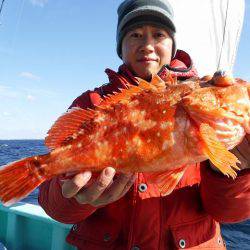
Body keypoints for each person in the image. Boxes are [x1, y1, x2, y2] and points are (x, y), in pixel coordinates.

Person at [38, 0, 250, 249]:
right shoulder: (92, 103)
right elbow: (55, 207)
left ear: (173, 45)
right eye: (135, 34)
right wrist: (77, 199)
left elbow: (229, 215)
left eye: (159, 34)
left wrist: (238, 173)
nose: (147, 45)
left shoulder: (202, 98)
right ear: (121, 46)